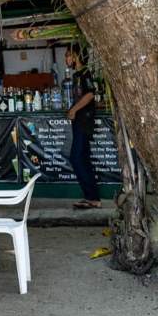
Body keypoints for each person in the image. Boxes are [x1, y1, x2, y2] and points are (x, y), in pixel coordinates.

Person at [66, 46, 100, 209]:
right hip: (79, 121)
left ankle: (92, 197)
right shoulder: (77, 75)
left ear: (75, 56)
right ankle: (92, 197)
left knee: (77, 158)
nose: (66, 59)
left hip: (84, 121)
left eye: (68, 56)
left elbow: (90, 94)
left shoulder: (85, 73)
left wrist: (74, 109)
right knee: (82, 159)